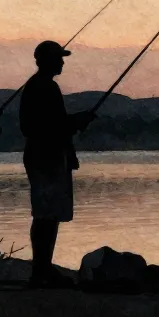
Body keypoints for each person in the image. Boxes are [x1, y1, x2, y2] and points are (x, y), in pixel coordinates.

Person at [19, 40, 94, 288]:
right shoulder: (45, 87)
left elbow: (53, 124)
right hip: (46, 157)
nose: (62, 62)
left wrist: (72, 128)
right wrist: (77, 122)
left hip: (45, 155)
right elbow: (49, 127)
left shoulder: (40, 85)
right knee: (46, 215)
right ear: (46, 60)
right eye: (59, 58)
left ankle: (42, 267)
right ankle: (41, 269)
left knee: (47, 214)